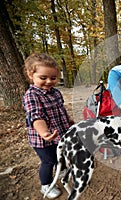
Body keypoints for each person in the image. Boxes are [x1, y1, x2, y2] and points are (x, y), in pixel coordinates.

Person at [22, 53, 73, 199]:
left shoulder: (55, 92)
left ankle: (61, 170)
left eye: (53, 78)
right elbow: (36, 116)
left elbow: (61, 108)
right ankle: (46, 185)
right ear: (31, 75)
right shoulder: (32, 95)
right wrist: (43, 132)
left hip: (60, 134)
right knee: (48, 161)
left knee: (61, 155)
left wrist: (68, 120)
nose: (49, 81)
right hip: (42, 139)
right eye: (43, 78)